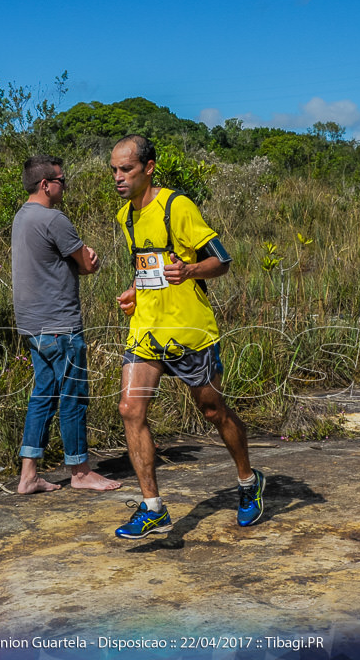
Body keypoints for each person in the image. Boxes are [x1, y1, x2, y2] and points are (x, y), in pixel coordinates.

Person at [109, 134, 265, 539]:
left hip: (190, 333)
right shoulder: (125, 217)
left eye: (126, 169)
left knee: (214, 412)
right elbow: (147, 271)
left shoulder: (177, 207)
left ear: (149, 167)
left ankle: (249, 482)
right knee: (130, 410)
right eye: (114, 170)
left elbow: (223, 260)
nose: (119, 177)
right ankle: (153, 507)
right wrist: (133, 292)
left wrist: (191, 271)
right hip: (146, 334)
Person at [11, 154, 121, 494]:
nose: (64, 185)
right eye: (61, 180)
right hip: (59, 325)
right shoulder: (54, 219)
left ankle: (29, 475)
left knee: (43, 395)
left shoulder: (21, 217)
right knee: (73, 395)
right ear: (46, 184)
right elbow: (87, 265)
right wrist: (92, 259)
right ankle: (80, 471)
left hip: (32, 325)